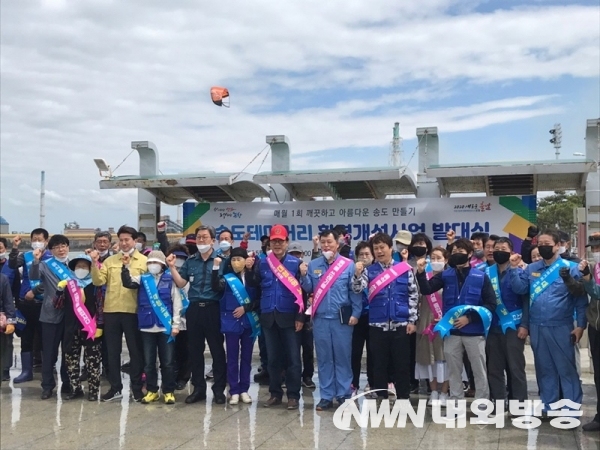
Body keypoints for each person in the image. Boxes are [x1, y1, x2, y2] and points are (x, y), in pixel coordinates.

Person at [509, 230, 587, 414]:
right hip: (537, 326)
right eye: (540, 244)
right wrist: (513, 269)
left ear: (558, 245)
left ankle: (571, 407)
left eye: (547, 244)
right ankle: (549, 405)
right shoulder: (532, 269)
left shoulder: (570, 268)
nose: (543, 247)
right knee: (544, 367)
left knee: (566, 368)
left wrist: (581, 326)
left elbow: (580, 300)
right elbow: (521, 291)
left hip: (561, 325)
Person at [416, 238, 496, 404]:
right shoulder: (446, 275)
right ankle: (455, 404)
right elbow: (426, 289)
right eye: (454, 252)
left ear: (470, 254)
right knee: (453, 370)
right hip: (451, 332)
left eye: (461, 252)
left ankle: (481, 404)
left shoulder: (481, 276)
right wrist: (421, 273)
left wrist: (469, 318)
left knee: (479, 370)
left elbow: (491, 304)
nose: (457, 255)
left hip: (474, 331)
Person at [352, 232, 419, 403]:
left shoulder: (404, 270)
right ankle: (380, 396)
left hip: (401, 324)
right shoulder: (370, 271)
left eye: (382, 247)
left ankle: (403, 398)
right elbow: (357, 289)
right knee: (378, 364)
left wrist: (412, 320)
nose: (379, 251)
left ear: (391, 248)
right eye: (376, 248)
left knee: (401, 364)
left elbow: (413, 295)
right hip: (377, 325)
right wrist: (358, 275)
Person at [302, 229, 362, 410]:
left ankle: (344, 394)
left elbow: (354, 292)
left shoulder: (348, 265)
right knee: (324, 358)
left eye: (330, 242)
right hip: (320, 319)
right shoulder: (313, 265)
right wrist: (304, 275)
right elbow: (308, 288)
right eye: (323, 242)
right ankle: (326, 395)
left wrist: (356, 313)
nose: (326, 245)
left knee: (343, 357)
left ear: (337, 243)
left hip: (341, 319)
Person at [168, 225, 227, 405]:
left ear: (213, 240)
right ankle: (198, 389)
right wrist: (172, 267)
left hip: (213, 308)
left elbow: (224, 285)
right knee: (195, 351)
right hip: (194, 309)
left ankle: (218, 390)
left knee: (217, 351)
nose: (201, 241)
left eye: (205, 237)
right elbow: (181, 283)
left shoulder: (222, 260)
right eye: (199, 238)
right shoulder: (191, 261)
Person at [91, 225, 147, 402]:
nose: (123, 243)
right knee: (112, 352)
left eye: (127, 240)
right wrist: (94, 263)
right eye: (121, 240)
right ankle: (115, 387)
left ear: (135, 241)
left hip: (133, 311)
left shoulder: (144, 261)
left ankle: (137, 387)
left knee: (135, 352)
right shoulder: (110, 261)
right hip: (111, 311)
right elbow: (98, 280)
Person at [254, 224, 305, 410]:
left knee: (293, 359)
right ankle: (275, 394)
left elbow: (303, 294)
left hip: (290, 317)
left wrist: (300, 317)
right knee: (273, 359)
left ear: (287, 242)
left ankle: (293, 395)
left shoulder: (296, 264)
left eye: (280, 241)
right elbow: (256, 288)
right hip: (268, 316)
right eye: (274, 241)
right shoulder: (262, 263)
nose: (277, 245)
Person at [122, 250, 181, 405]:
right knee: (149, 363)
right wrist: (125, 266)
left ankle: (168, 391)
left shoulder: (170, 279)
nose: (152, 265)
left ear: (162, 264)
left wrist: (176, 324)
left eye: (155, 262)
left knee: (167, 362)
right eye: (149, 262)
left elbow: (177, 302)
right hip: (147, 327)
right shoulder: (143, 278)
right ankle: (152, 390)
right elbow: (128, 282)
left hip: (166, 327)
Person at [560, 232, 600, 432]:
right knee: (598, 373)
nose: (596, 252)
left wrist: (587, 279)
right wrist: (568, 279)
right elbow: (580, 291)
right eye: (593, 248)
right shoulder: (593, 267)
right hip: (596, 325)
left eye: (598, 248)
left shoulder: (590, 272)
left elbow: (596, 292)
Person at [485, 237, 529, 409]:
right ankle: (498, 401)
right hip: (493, 327)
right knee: (494, 368)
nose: (499, 251)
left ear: (511, 252)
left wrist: (525, 325)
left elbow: (525, 298)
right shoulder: (486, 272)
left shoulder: (519, 270)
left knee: (515, 368)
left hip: (514, 327)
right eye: (497, 248)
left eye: (503, 248)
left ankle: (519, 404)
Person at [212, 247, 260, 404]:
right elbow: (216, 287)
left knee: (246, 357)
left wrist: (246, 308)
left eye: (239, 259)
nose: (236, 262)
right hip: (231, 322)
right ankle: (233, 390)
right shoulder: (226, 278)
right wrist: (215, 269)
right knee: (232, 357)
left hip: (248, 321)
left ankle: (244, 389)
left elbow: (259, 298)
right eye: (233, 259)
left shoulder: (252, 277)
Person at [53, 255, 104, 401]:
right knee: (71, 359)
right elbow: (57, 305)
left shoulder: (95, 285)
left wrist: (100, 325)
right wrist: (59, 290)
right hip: (71, 327)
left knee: (93, 361)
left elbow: (101, 306)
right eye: (78, 266)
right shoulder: (69, 285)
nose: (80, 269)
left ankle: (93, 390)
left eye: (84, 266)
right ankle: (75, 388)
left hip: (91, 328)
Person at [29, 234, 73, 399]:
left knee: (69, 353)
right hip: (50, 315)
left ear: (68, 247)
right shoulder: (46, 265)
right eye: (56, 247)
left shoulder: (76, 265)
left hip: (70, 315)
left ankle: (68, 386)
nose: (61, 249)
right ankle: (47, 386)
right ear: (51, 250)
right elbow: (33, 277)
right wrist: (35, 260)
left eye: (63, 246)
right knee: (49, 353)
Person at [8, 229, 51, 384]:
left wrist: (35, 291)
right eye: (34, 239)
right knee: (26, 336)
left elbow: (50, 281)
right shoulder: (25, 255)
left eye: (40, 239)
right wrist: (14, 248)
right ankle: (26, 371)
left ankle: (47, 371)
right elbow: (12, 264)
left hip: (44, 304)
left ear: (46, 241)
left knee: (45, 338)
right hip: (25, 304)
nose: (37, 242)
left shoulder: (51, 258)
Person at [415, 246, 450, 407]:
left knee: (445, 358)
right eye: (433, 258)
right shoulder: (423, 276)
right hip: (426, 321)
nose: (436, 261)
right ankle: (433, 391)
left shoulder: (450, 277)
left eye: (439, 258)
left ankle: (444, 392)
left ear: (446, 260)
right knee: (429, 358)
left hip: (445, 324)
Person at [288, 242, 316, 389]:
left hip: (306, 314)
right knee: (291, 350)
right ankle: (291, 378)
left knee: (308, 348)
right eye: (292, 254)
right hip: (289, 314)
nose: (295, 257)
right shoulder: (284, 270)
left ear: (302, 255)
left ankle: (307, 376)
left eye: (297, 254)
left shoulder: (307, 268)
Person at [350, 241, 375, 397]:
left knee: (373, 353)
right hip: (356, 318)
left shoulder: (378, 271)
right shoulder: (351, 271)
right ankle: (354, 384)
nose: (364, 257)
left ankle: (372, 383)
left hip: (374, 318)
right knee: (355, 353)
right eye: (361, 255)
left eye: (367, 254)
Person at [166, 244, 192, 390]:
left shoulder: (189, 275)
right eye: (176, 259)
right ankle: (172, 376)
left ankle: (184, 377)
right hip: (170, 320)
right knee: (172, 351)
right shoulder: (165, 275)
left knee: (187, 350)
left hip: (188, 320)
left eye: (182, 259)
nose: (179, 262)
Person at [0, 237, 19, 381]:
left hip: (2, 315)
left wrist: (11, 320)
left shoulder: (3, 278)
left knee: (6, 343)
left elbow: (9, 300)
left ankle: (5, 369)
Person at [0, 273, 16, 384]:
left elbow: (8, 302)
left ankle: (4, 371)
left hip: (1, 318)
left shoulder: (2, 278)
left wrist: (11, 322)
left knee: (5, 347)